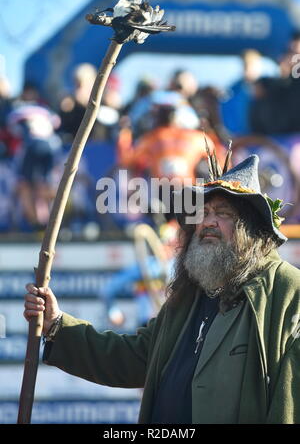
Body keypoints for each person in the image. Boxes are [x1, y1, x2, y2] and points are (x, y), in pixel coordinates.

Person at [24, 153, 300, 424]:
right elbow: (135, 357)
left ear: (251, 229)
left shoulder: (286, 290)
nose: (208, 222)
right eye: (203, 213)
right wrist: (57, 325)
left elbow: (290, 402)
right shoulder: (190, 295)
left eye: (223, 213)